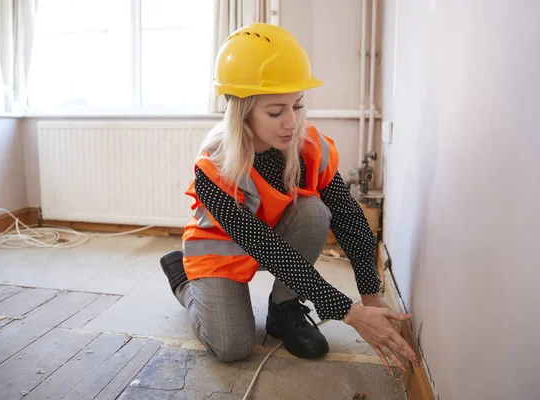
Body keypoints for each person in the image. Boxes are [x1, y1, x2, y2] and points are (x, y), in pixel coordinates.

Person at [160, 23, 418, 373]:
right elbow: (266, 246)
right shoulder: (214, 166)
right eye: (275, 111)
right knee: (233, 348)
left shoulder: (308, 145)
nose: (292, 123)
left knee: (314, 211)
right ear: (242, 111)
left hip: (274, 236)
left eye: (297, 105)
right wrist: (349, 312)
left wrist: (370, 294)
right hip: (222, 249)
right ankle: (183, 279)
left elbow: (347, 215)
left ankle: (284, 310)